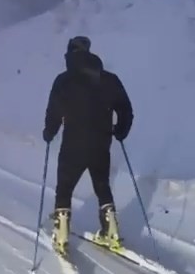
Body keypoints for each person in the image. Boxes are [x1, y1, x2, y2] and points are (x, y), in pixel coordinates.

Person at [43, 35, 133, 255]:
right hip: (102, 141)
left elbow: (54, 111)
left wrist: (49, 132)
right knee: (102, 183)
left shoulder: (63, 80)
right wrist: (121, 130)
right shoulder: (109, 79)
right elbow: (125, 108)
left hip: (73, 141)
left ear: (69, 54)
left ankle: (61, 233)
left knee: (65, 185)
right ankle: (111, 230)